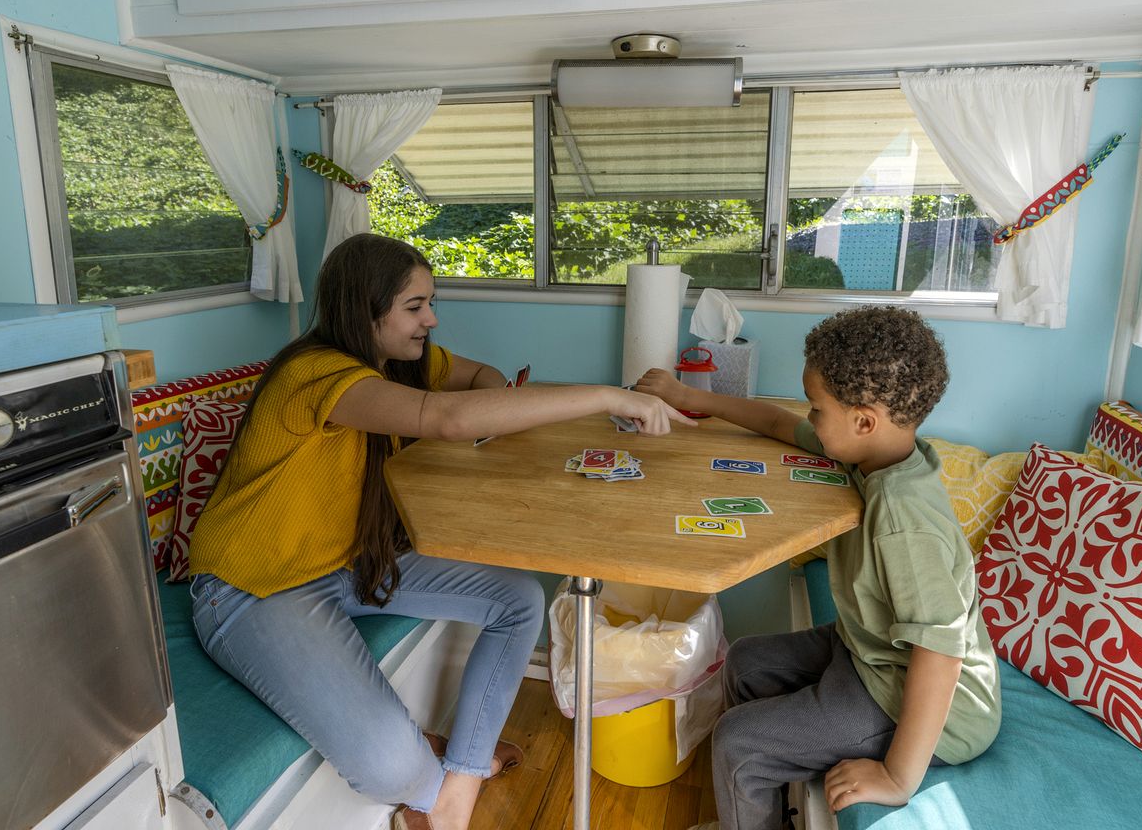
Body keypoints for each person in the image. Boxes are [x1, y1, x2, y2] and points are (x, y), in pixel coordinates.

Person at [187, 233, 693, 830]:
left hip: (343, 564)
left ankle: (455, 781)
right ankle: (448, 784)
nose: (431, 317)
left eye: (430, 301)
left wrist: (493, 413)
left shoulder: (405, 361)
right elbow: (444, 418)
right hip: (251, 587)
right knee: (389, 769)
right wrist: (611, 396)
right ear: (364, 309)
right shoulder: (315, 374)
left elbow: (482, 378)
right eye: (414, 307)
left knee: (519, 597)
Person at [635, 306, 1000, 830]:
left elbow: (939, 656)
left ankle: (749, 795)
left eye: (816, 408)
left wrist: (897, 777)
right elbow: (776, 423)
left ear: (863, 420)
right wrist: (691, 399)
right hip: (870, 650)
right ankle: (760, 808)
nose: (808, 417)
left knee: (739, 742)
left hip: (922, 705)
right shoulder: (874, 453)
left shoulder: (903, 519)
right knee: (746, 661)